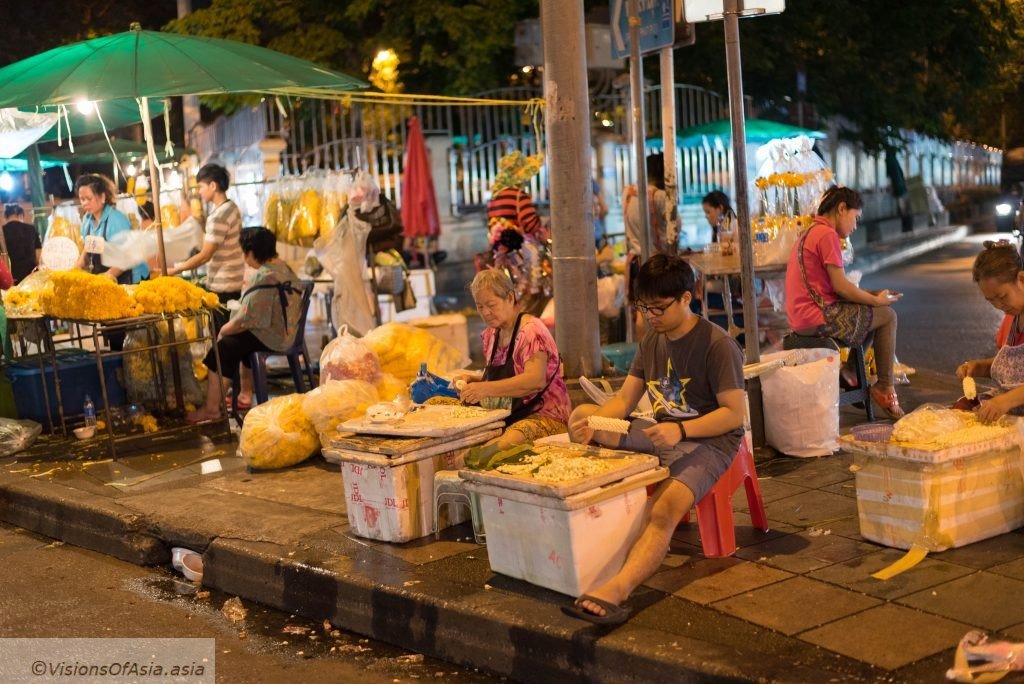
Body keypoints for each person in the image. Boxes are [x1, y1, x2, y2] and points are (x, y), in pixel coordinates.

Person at [563, 254, 746, 625]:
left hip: (711, 440)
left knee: (664, 509)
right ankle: (591, 560)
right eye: (643, 307)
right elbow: (623, 402)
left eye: (659, 308)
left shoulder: (717, 345)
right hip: (661, 433)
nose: (650, 316)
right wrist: (592, 423)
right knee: (582, 417)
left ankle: (617, 590)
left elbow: (733, 414)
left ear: (685, 298)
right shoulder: (651, 341)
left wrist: (681, 430)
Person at [784, 185, 905, 419]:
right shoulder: (827, 235)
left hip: (803, 317)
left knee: (871, 311)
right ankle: (885, 386)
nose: (856, 225)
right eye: (856, 217)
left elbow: (831, 288)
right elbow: (840, 286)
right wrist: (876, 300)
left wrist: (872, 297)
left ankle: (850, 370)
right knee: (887, 316)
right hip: (817, 316)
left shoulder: (809, 233)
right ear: (841, 209)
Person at [187, 227, 303, 424]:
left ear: (250, 252)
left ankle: (212, 409)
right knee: (236, 343)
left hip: (274, 337)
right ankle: (241, 395)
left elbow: (247, 319)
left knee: (224, 346)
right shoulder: (285, 269)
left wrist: (223, 330)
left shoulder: (265, 277)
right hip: (287, 333)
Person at [456, 269, 570, 449]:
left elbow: (535, 380)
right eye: (480, 306)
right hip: (509, 414)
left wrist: (485, 388)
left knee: (495, 448)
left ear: (509, 298)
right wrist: (474, 381)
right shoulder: (493, 334)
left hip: (544, 415)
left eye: (491, 305)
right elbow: (505, 379)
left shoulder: (531, 331)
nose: (485, 312)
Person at [167, 164, 244, 327]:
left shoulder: (219, 216)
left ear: (213, 186)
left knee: (220, 338)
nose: (199, 192)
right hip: (234, 282)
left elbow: (205, 255)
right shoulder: (232, 207)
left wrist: (176, 270)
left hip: (223, 286)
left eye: (201, 186)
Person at [957, 241, 1024, 422]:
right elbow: (1013, 367)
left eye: (1002, 297)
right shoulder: (1012, 318)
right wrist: (980, 367)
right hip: (1013, 408)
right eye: (991, 300)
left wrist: (1004, 402)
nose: (999, 306)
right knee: (960, 408)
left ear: (1022, 279)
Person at [75, 173, 133, 284]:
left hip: (123, 279)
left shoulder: (117, 220)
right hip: (102, 279)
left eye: (89, 198)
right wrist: (76, 269)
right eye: (82, 199)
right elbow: (88, 247)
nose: (85, 203)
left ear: (102, 197)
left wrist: (106, 277)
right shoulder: (87, 220)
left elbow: (126, 257)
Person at [623, 153, 678, 258]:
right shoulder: (661, 197)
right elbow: (676, 228)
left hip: (633, 262)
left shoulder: (626, 192)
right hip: (657, 263)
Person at [2, 204, 41, 285]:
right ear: (21, 215)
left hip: (11, 278)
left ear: (6, 217)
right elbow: (38, 256)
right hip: (31, 276)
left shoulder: (1, 232)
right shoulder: (31, 229)